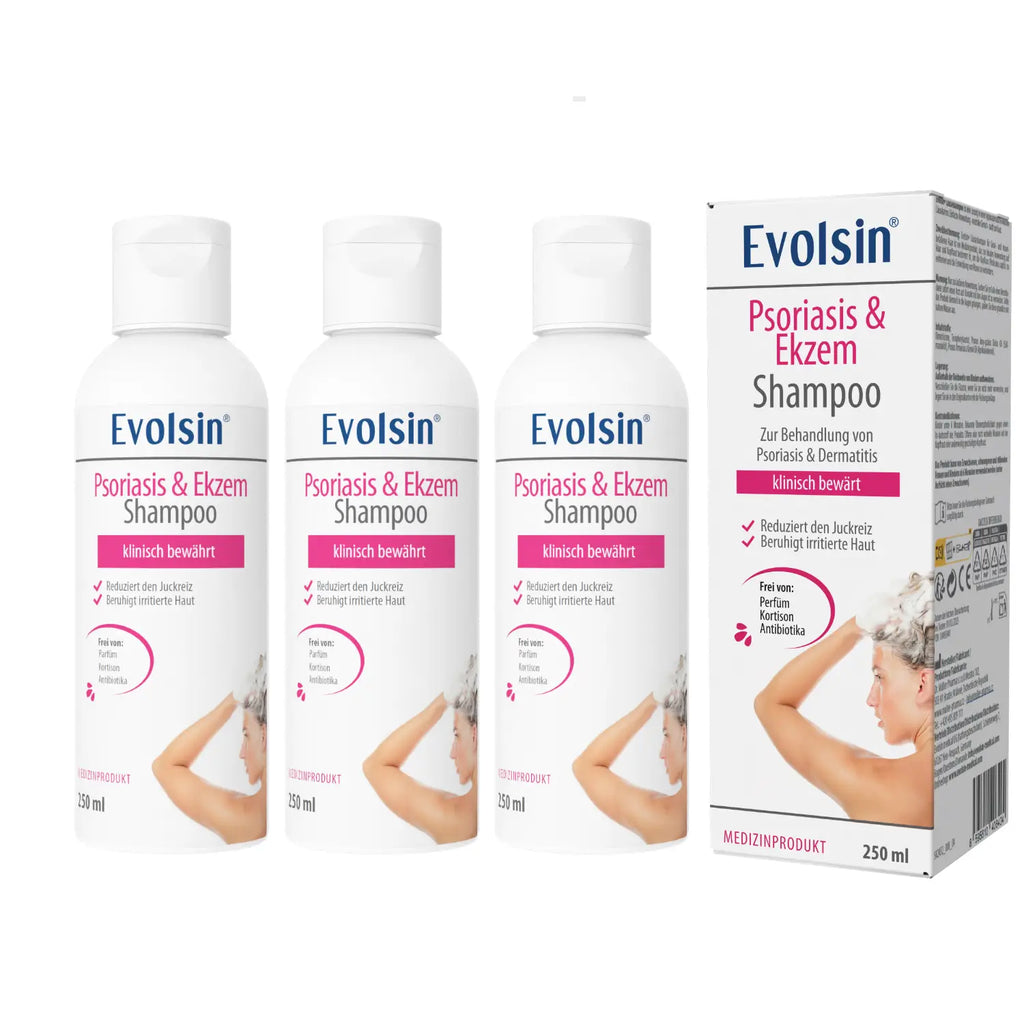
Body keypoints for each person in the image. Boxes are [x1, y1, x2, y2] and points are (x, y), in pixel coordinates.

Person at [754, 573, 934, 827]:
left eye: (880, 677)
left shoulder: (879, 788)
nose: (871, 699)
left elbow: (770, 703)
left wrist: (855, 628)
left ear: (923, 684)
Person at [152, 654, 267, 844]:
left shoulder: (244, 820)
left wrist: (232, 700)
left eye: (246, 734)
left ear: (263, 735)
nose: (241, 753)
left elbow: (164, 766)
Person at [363, 655, 478, 844]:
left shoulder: (454, 820)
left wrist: (442, 701)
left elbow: (375, 766)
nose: (452, 753)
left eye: (457, 734)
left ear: (474, 735)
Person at [573, 655, 688, 844]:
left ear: (683, 735)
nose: (661, 753)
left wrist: (652, 701)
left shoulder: (663, 819)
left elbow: (585, 766)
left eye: (667, 734)